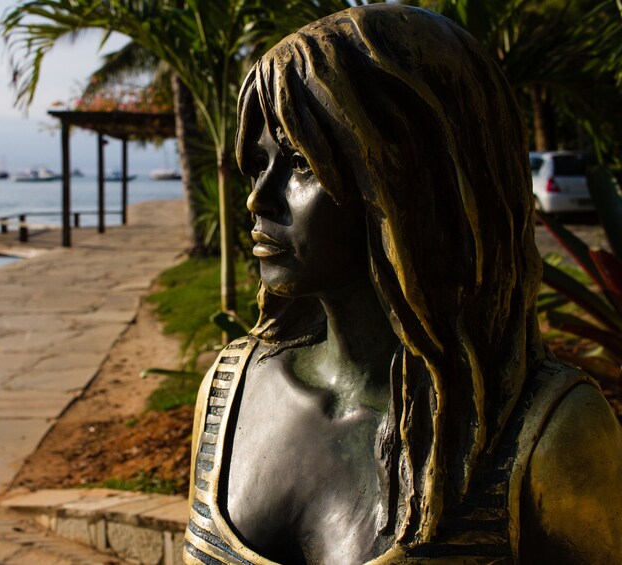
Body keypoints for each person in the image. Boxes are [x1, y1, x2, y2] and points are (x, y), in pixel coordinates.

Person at [184, 5, 622, 564]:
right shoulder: (231, 391)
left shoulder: (551, 436)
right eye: (257, 164)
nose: (256, 199)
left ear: (410, 178)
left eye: (299, 163)